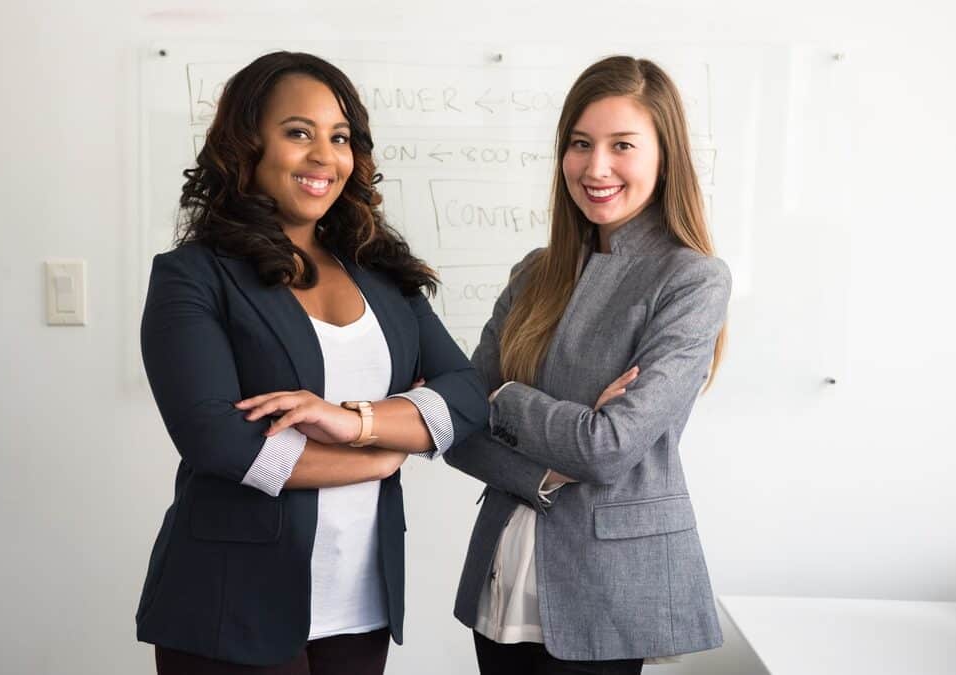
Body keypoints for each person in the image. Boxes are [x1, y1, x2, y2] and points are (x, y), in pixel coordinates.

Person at [135, 51, 489, 675]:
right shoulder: (194, 276)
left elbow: (466, 394)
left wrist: (353, 424)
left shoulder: (382, 274)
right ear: (247, 145)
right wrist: (379, 457)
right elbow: (219, 441)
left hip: (360, 602)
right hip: (230, 602)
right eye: (299, 133)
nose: (325, 156)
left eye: (340, 137)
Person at [444, 55, 731, 674]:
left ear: (664, 155)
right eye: (580, 144)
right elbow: (457, 430)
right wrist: (545, 472)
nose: (595, 167)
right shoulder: (534, 272)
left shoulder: (691, 280)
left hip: (608, 585)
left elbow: (607, 448)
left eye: (621, 145)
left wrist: (505, 398)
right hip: (504, 571)